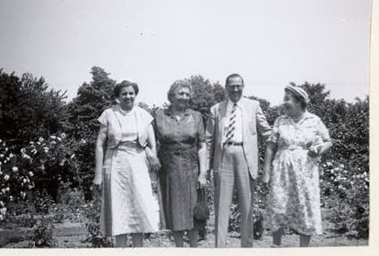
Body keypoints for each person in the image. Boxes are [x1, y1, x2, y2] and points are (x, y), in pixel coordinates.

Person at [205, 73, 272, 247]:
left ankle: (246, 247)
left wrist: (286, 138)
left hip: (245, 156)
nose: (235, 89)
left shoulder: (253, 106)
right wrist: (206, 167)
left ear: (243, 86)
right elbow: (209, 140)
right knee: (221, 207)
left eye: (238, 85)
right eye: (231, 86)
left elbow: (266, 131)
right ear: (226, 88)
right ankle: (220, 247)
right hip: (223, 156)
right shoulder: (216, 109)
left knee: (247, 206)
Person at [262, 85, 332, 247]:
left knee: (304, 207)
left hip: (305, 171)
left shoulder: (314, 121)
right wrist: (266, 172)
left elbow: (328, 141)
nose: (283, 103)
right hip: (282, 171)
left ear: (299, 101)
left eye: (287, 99)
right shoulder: (280, 121)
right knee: (278, 205)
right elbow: (271, 146)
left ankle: (303, 250)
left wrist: (319, 150)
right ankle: (276, 246)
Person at [93, 79, 160, 248]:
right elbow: (100, 145)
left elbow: (152, 146)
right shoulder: (109, 114)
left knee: (139, 209)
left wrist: (153, 173)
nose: (128, 96)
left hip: (139, 163)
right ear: (117, 97)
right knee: (119, 211)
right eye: (124, 93)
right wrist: (98, 174)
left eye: (131, 93)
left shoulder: (144, 115)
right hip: (115, 163)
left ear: (135, 95)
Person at [154, 80, 208, 247]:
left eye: (187, 94)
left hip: (191, 170)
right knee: (175, 214)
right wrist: (152, 157)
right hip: (169, 171)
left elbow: (202, 145)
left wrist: (203, 173)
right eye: (180, 93)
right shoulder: (160, 115)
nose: (184, 97)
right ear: (172, 96)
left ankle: (193, 248)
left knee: (194, 216)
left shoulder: (196, 116)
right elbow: (150, 141)